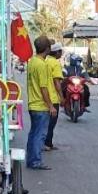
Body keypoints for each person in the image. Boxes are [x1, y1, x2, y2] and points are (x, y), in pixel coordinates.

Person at [26, 35, 59, 170]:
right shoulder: (42, 65)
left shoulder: (32, 62)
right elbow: (44, 88)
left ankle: (31, 159)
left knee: (33, 134)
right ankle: (35, 161)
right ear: (48, 49)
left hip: (32, 104)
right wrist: (50, 106)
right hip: (40, 106)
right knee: (39, 135)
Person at [44, 42, 65, 151]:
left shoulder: (45, 61)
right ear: (56, 52)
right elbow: (57, 82)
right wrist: (61, 97)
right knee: (51, 123)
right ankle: (47, 143)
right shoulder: (55, 64)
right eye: (60, 51)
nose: (61, 53)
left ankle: (48, 143)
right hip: (52, 97)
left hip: (44, 96)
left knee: (46, 122)